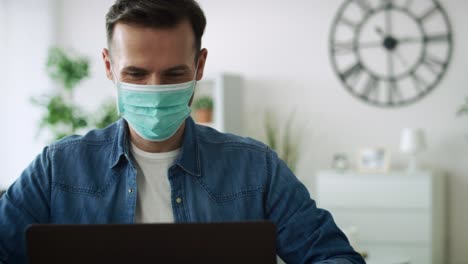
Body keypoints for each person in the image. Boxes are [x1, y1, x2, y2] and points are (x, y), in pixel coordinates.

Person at [0, 0, 365, 263]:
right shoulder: (56, 169)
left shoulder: (256, 168)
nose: (155, 89)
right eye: (137, 74)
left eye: (174, 74)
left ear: (199, 65)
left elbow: (334, 257)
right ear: (109, 67)